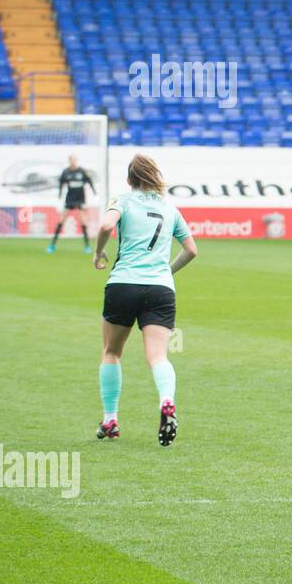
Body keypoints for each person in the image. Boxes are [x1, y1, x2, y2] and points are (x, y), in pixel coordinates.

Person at [93, 154, 196, 445]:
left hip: (123, 284)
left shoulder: (122, 200)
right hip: (160, 289)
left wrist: (98, 252)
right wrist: (166, 270)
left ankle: (110, 419)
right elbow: (191, 249)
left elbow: (104, 227)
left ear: (129, 180)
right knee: (158, 356)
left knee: (111, 352)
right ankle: (167, 400)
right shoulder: (170, 208)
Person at [48, 154, 95, 254]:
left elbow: (89, 181)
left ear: (76, 160)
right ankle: (52, 245)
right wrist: (60, 194)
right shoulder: (66, 172)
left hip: (80, 199)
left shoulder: (82, 171)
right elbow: (61, 184)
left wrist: (94, 191)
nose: (73, 161)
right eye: (71, 160)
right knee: (61, 221)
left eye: (74, 159)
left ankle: (87, 246)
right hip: (69, 199)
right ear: (69, 161)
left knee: (83, 221)